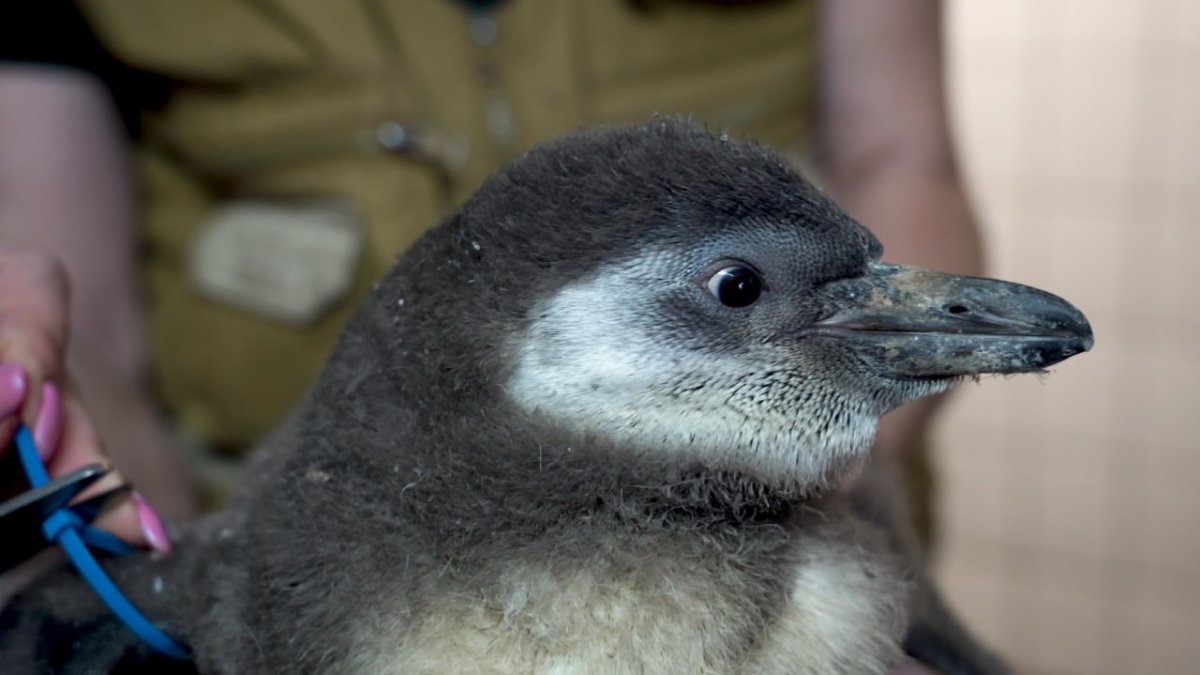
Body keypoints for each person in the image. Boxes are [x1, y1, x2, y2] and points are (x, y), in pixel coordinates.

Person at [0, 0, 978, 617]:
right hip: (290, 552)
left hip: (788, 542)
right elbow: (87, 323)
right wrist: (174, 589)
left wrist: (825, 473)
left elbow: (904, 155)